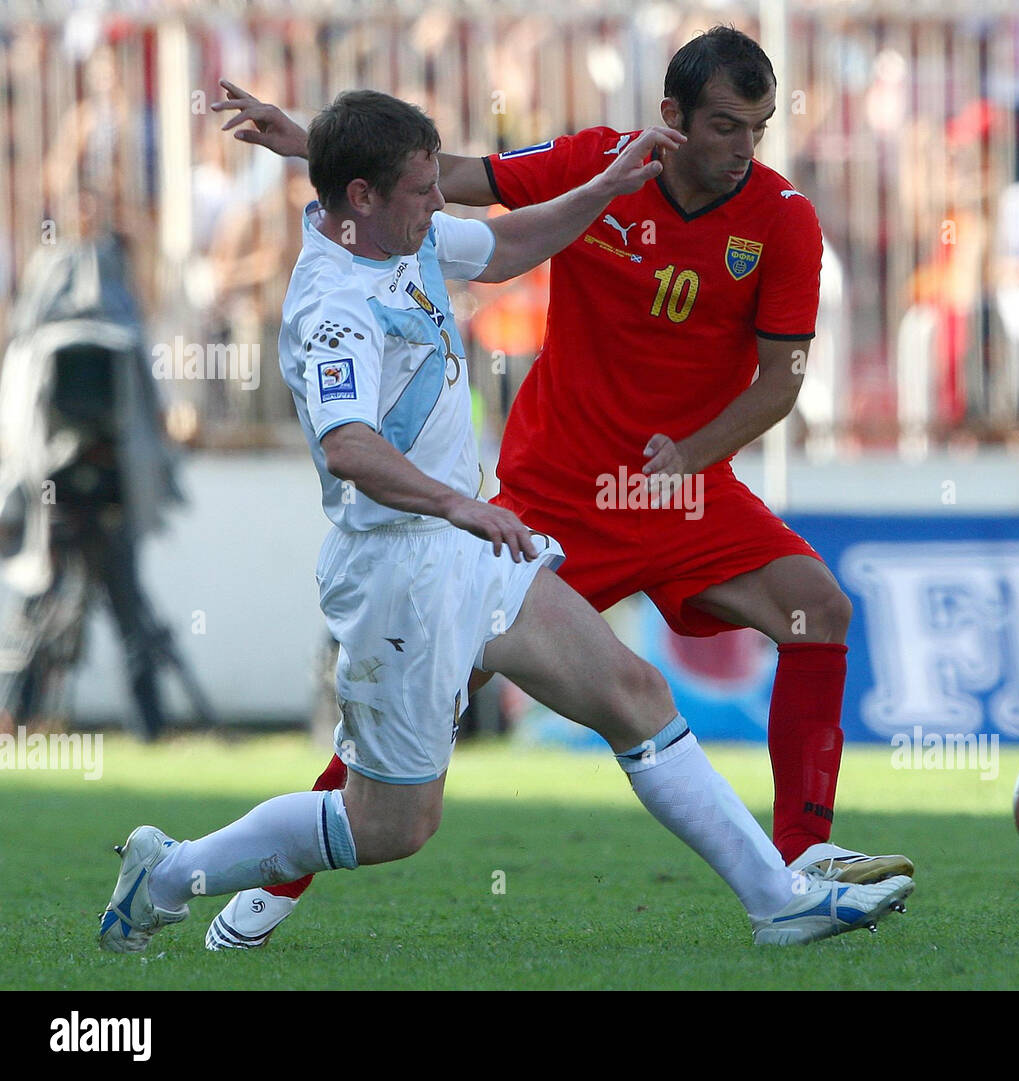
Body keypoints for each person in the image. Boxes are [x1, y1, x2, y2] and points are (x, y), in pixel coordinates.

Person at [98, 90, 913, 955]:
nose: (438, 201)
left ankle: (776, 899)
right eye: (420, 188)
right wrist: (460, 501)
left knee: (635, 694)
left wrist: (607, 186)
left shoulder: (400, 235)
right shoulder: (333, 301)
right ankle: (173, 871)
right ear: (364, 198)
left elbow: (514, 241)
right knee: (393, 823)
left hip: (470, 552)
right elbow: (347, 446)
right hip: (398, 573)